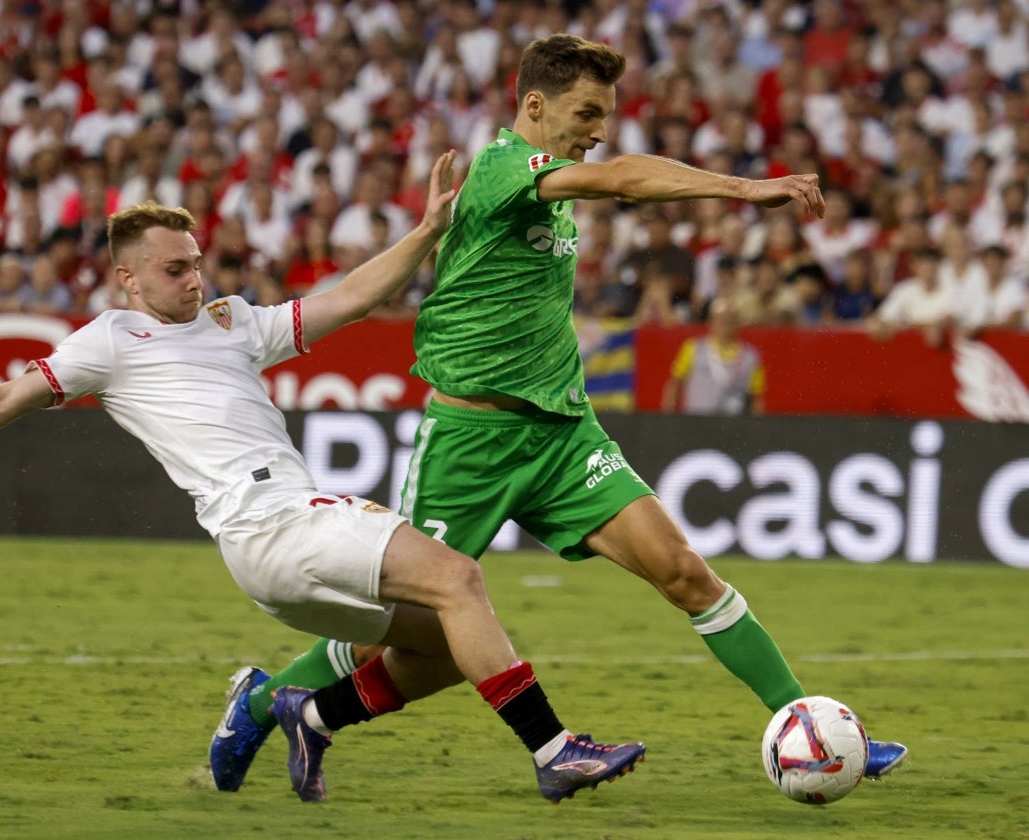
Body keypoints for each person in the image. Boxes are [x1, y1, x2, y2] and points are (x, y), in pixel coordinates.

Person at [0, 152, 646, 805]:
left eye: (196, 264)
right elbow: (0, 400)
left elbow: (349, 300)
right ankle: (554, 751)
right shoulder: (109, 340)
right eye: (176, 269)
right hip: (272, 524)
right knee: (460, 575)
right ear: (129, 277)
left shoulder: (231, 323)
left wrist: (430, 229)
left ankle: (296, 709)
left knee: (443, 646)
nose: (194, 279)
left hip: (278, 554)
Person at [211, 33, 907, 796]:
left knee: (684, 572)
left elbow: (605, 174)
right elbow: (621, 180)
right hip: (471, 443)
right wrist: (744, 189)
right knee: (408, 634)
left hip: (564, 434)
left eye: (605, 114)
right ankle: (267, 702)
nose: (599, 127)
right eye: (586, 111)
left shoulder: (554, 180)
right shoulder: (506, 166)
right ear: (534, 106)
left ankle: (812, 727)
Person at [660, 298, 765, 415]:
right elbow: (675, 384)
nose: (726, 325)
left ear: (737, 322)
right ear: (711, 321)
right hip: (697, 423)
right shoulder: (694, 348)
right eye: (721, 320)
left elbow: (756, 397)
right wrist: (668, 418)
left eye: (730, 320)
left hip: (735, 427)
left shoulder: (750, 356)